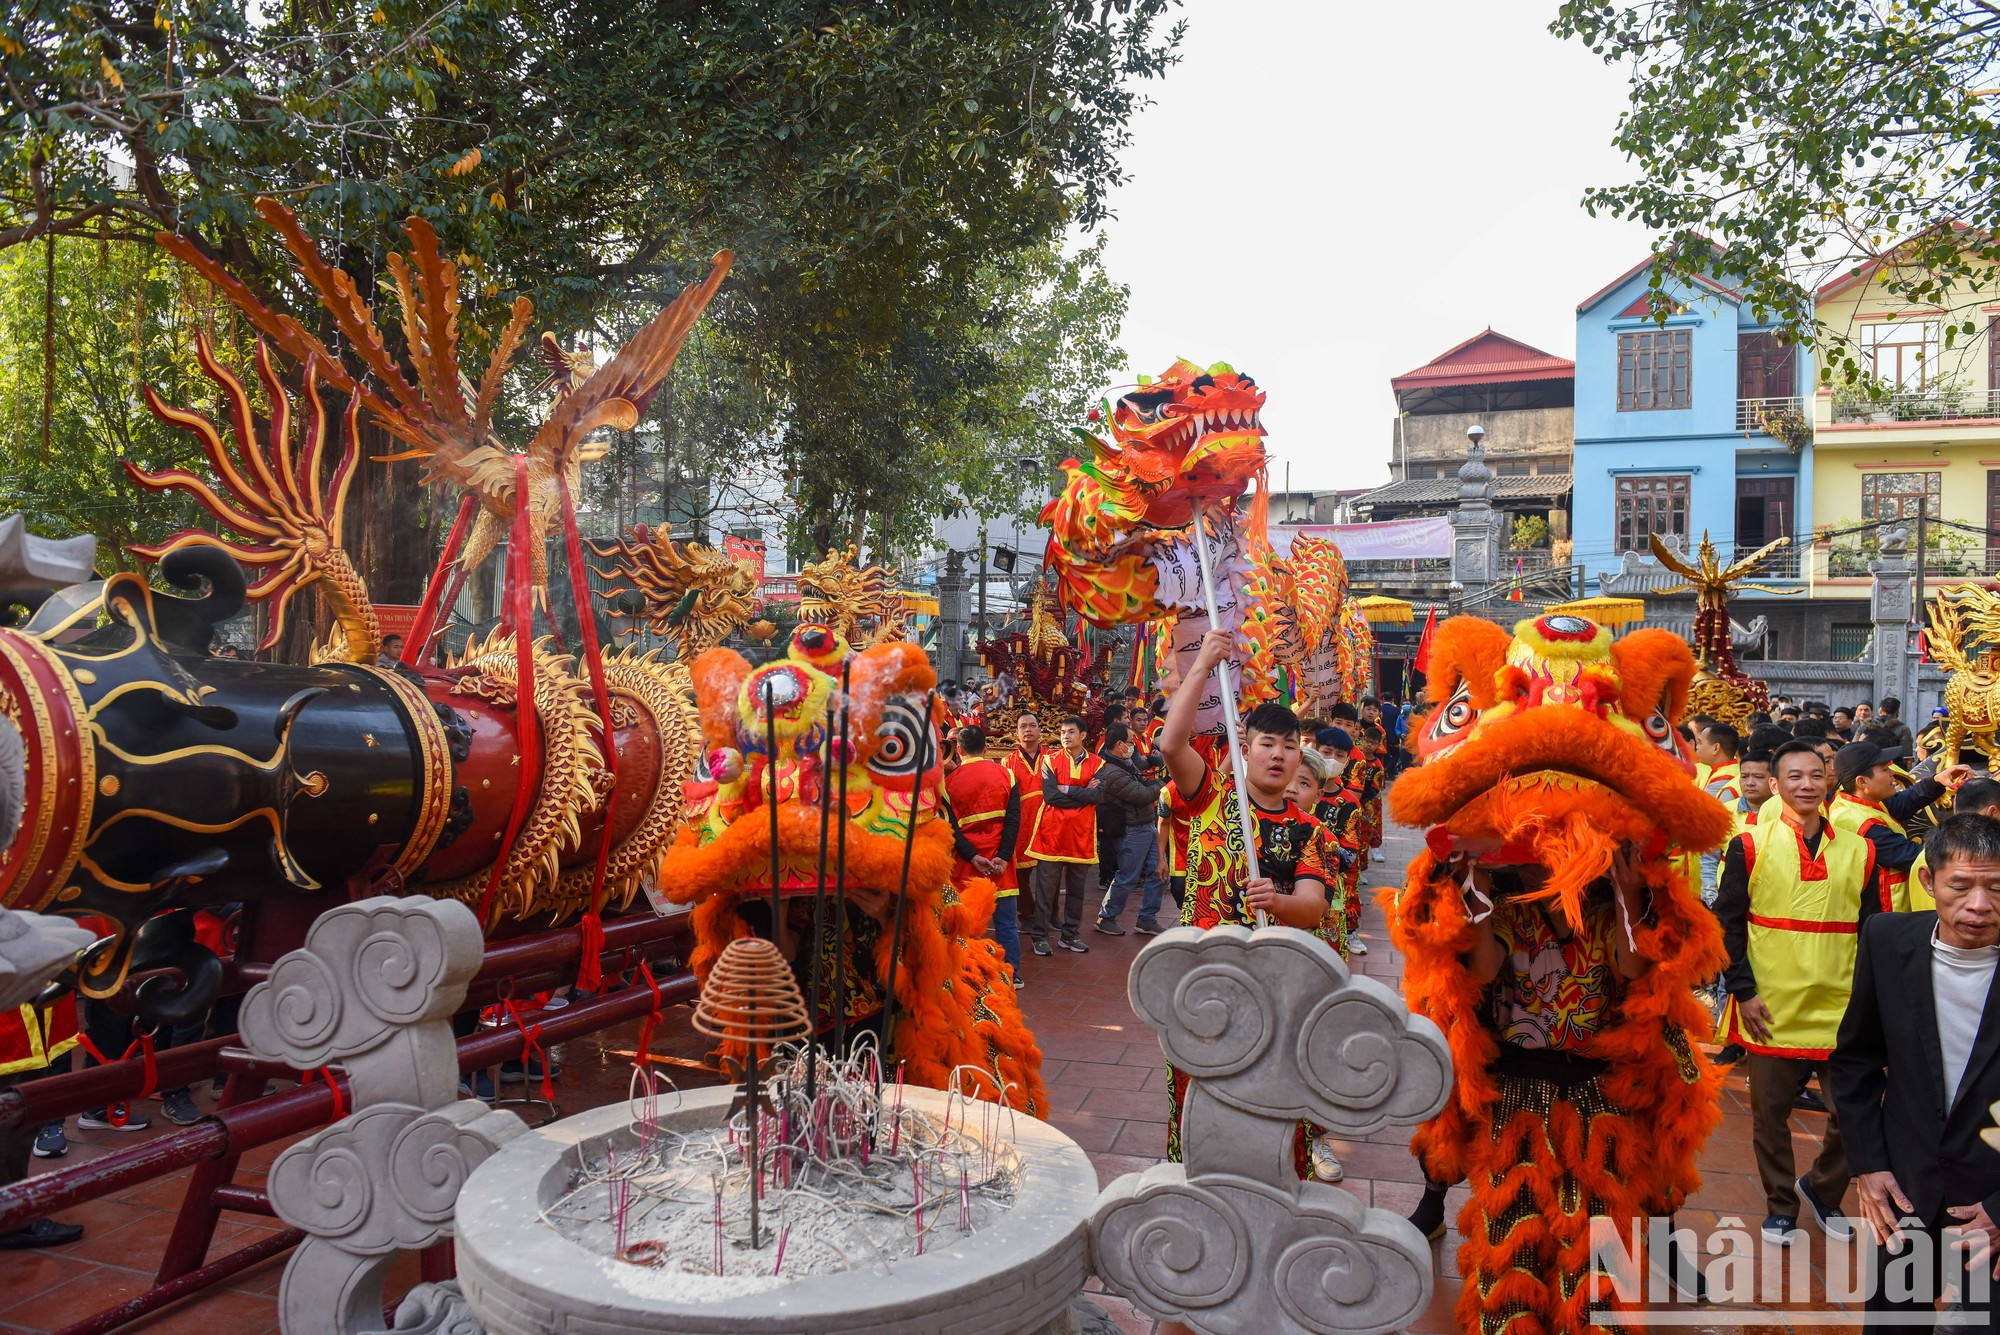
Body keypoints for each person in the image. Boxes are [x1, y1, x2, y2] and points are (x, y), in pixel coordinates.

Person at [1160, 628, 1340, 1173]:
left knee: (1273, 1114)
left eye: (1289, 746)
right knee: (1200, 1109)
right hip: (1204, 985)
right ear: (1246, 749)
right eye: (1267, 744)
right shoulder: (1212, 797)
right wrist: (1203, 664)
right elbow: (1171, 745)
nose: (1279, 755)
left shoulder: (1312, 832)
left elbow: (1313, 906)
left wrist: (1278, 903)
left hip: (1275, 992)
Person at [1832, 812, 2000, 1329]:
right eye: (1961, 886)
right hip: (1906, 1190)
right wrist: (1867, 1164)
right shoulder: (1887, 939)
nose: (1979, 905)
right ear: (1928, 881)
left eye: (1997, 888)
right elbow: (1856, 1059)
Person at [1715, 738, 1885, 1245]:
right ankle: (1780, 1205)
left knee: (1855, 1115)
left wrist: (1870, 1000)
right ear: (1775, 784)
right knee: (1770, 1117)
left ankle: (1823, 1190)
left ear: (1828, 779)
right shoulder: (1749, 844)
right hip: (1771, 1004)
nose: (1807, 785)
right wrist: (1743, 991)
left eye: (1815, 774)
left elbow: (1872, 928)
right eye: (1794, 776)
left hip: (1842, 1005)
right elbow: (1727, 924)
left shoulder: (1861, 849)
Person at [1829, 740, 1965, 912]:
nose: (1892, 773)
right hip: (1886, 913)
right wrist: (1966, 852)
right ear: (1862, 782)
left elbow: (1902, 803)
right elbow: (1912, 856)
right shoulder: (1860, 823)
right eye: (1884, 770)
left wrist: (1937, 781)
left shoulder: (1856, 801)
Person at [943, 726, 1024, 981]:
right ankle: (1012, 974)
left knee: (967, 925)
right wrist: (1003, 855)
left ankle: (968, 974)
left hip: (967, 863)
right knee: (1007, 924)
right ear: (986, 748)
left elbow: (950, 827)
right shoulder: (1006, 775)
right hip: (1001, 864)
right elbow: (1013, 820)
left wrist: (972, 856)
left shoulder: (948, 782)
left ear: (959, 750)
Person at [1026, 715, 1103, 955]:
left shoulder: (1098, 763)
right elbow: (1051, 796)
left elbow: (1098, 796)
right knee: (1046, 889)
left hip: (1081, 835)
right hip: (1052, 834)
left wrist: (1067, 789)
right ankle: (1040, 936)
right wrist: (1083, 796)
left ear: (1083, 735)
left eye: (1071, 732)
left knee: (1077, 890)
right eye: (1062, 732)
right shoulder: (1050, 760)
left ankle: (1070, 935)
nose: (1065, 736)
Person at [1095, 722, 1168, 937]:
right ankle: (1106, 917)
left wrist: (1157, 783)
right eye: (1130, 742)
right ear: (1119, 744)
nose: (1132, 747)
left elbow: (1144, 784)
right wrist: (1164, 783)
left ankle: (1147, 918)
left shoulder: (1125, 763)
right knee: (1128, 875)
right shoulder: (1112, 771)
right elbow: (1142, 795)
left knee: (1159, 871)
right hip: (1132, 829)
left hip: (1147, 824)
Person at [1903, 777, 2000, 912]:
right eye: (1960, 887)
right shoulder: (1986, 858)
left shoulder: (1926, 854)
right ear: (1992, 812)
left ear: (1955, 805)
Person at [1001, 714, 1052, 957]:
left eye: (1032, 725)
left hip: (1048, 821)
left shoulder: (1052, 757)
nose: (1028, 730)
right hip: (1021, 823)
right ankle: (1028, 915)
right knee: (1020, 874)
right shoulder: (1008, 761)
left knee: (1050, 873)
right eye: (1023, 726)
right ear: (1016, 732)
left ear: (1040, 730)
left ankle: (1051, 914)